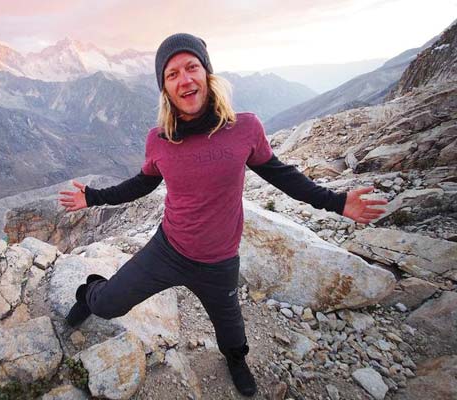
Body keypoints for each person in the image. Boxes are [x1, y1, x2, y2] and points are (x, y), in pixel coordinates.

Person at [58, 33, 387, 397]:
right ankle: (89, 291)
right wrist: (93, 197)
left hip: (219, 262)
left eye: (191, 67)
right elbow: (142, 184)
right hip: (168, 250)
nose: (184, 79)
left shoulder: (244, 129)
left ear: (207, 74)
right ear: (165, 89)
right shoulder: (160, 139)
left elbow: (281, 175)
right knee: (106, 305)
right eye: (172, 74)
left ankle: (234, 359)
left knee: (232, 334)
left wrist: (337, 202)